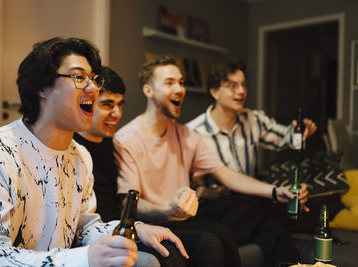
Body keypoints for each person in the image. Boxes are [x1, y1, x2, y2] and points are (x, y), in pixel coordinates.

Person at [0, 37, 188, 267]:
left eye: (94, 79)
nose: (93, 88)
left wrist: (136, 229)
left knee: (152, 260)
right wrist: (84, 258)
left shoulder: (79, 156)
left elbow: (82, 228)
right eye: (79, 77)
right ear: (41, 88)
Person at [113, 56, 309, 267]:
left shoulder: (185, 134)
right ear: (148, 91)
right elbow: (128, 204)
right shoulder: (127, 140)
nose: (180, 89)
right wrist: (167, 208)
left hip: (188, 218)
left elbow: (226, 175)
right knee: (223, 234)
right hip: (155, 223)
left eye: (181, 82)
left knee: (261, 213)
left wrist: (275, 191)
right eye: (169, 83)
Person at [74, 66, 226, 266]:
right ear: (88, 103)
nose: (117, 113)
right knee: (173, 253)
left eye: (120, 105)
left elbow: (125, 201)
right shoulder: (76, 149)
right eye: (108, 105)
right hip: (96, 235)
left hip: (125, 227)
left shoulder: (115, 144)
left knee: (214, 238)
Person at [186, 60, 317, 190]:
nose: (241, 91)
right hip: (218, 204)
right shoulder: (194, 133)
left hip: (252, 198)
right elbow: (186, 183)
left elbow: (283, 137)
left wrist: (300, 131)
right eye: (233, 86)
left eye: (244, 85)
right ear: (215, 92)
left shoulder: (253, 119)